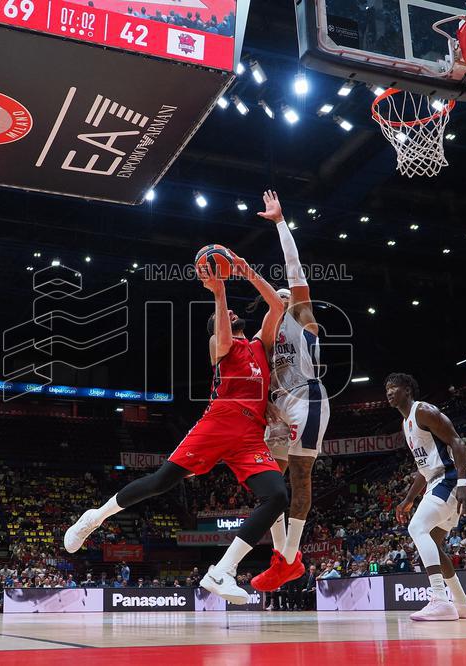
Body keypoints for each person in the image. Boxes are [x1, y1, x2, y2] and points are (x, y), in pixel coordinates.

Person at [64, 254, 289, 604]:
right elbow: (224, 332)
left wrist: (245, 269)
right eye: (223, 317)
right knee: (160, 482)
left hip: (249, 435)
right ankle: (95, 517)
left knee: (277, 495)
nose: (229, 315)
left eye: (230, 313)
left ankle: (222, 571)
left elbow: (276, 304)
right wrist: (219, 291)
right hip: (218, 423)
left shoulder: (260, 344)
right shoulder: (220, 346)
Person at [250, 191, 331, 593]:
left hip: (308, 398)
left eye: (286, 295)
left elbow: (294, 267)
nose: (282, 298)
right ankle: (284, 558)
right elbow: (256, 380)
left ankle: (288, 557)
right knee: (268, 483)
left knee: (300, 475)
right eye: (276, 297)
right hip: (279, 408)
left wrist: (281, 222)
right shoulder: (264, 335)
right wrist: (263, 407)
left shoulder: (303, 316)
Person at [388, 373, 466, 622]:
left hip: (450, 478)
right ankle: (463, 604)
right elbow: (423, 469)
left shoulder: (424, 411)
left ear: (407, 390)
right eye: (386, 388)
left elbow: (458, 443)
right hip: (436, 480)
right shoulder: (405, 424)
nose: (389, 391)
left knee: (417, 528)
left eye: (394, 387)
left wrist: (461, 482)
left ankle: (440, 599)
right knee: (434, 547)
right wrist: (407, 500)